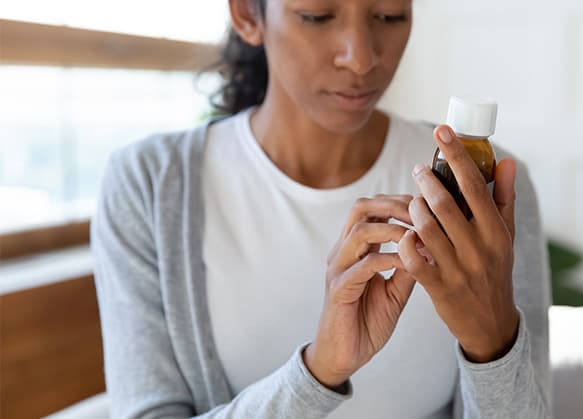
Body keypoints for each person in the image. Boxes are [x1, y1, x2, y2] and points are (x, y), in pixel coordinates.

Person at [91, 0, 552, 417]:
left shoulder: (485, 188)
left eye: (390, 15)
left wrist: (492, 345)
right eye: (316, 16)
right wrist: (317, 372)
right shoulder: (148, 185)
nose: (361, 57)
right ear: (248, 15)